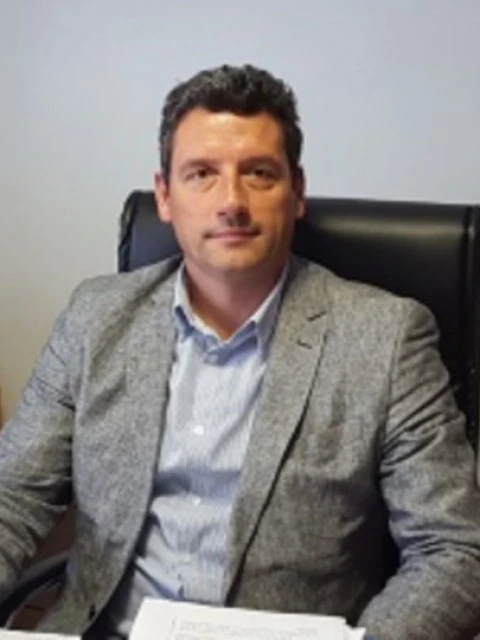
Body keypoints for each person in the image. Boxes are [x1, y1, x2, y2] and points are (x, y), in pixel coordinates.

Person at [1, 64, 480, 640]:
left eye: (258, 173)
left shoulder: (387, 337)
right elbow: (12, 496)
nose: (231, 202)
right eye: (202, 174)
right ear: (165, 196)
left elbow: (453, 550)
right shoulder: (95, 317)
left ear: (296, 192)